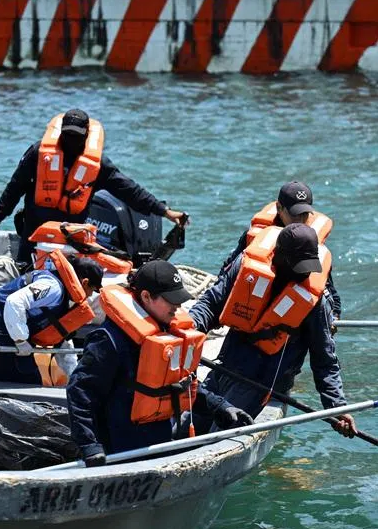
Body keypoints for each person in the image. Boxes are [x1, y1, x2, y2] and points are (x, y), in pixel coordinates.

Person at [66, 260, 254, 465]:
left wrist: (221, 408)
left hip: (159, 446)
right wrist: (90, 446)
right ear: (146, 296)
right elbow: (79, 393)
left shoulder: (166, 331)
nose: (178, 307)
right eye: (170, 300)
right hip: (119, 454)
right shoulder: (108, 340)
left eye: (179, 299)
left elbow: (180, 385)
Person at [188, 223, 356, 438]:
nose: (306, 272)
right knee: (189, 422)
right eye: (300, 265)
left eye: (309, 265)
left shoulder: (316, 303)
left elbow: (324, 360)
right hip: (226, 365)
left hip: (259, 382)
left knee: (216, 435)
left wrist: (337, 407)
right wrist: (188, 328)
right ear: (281, 257)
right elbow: (211, 304)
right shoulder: (247, 268)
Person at [0, 109, 187, 266]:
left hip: (72, 239)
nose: (71, 140)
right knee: (25, 271)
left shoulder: (97, 166)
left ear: (86, 136)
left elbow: (130, 191)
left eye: (76, 136)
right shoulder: (39, 154)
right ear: (60, 133)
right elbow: (14, 188)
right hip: (34, 235)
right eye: (67, 135)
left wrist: (165, 212)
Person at [0, 251, 105, 385]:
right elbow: (15, 301)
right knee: (25, 381)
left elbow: (63, 342)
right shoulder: (53, 287)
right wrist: (20, 340)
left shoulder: (64, 295)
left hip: (10, 328)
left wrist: (74, 380)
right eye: (93, 290)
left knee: (31, 378)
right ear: (85, 282)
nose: (90, 296)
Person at [217, 181, 340, 315]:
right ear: (279, 208)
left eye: (304, 214)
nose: (300, 219)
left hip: (293, 309)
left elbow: (325, 285)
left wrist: (335, 313)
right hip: (256, 305)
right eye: (294, 214)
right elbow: (227, 271)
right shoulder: (258, 237)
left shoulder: (308, 239)